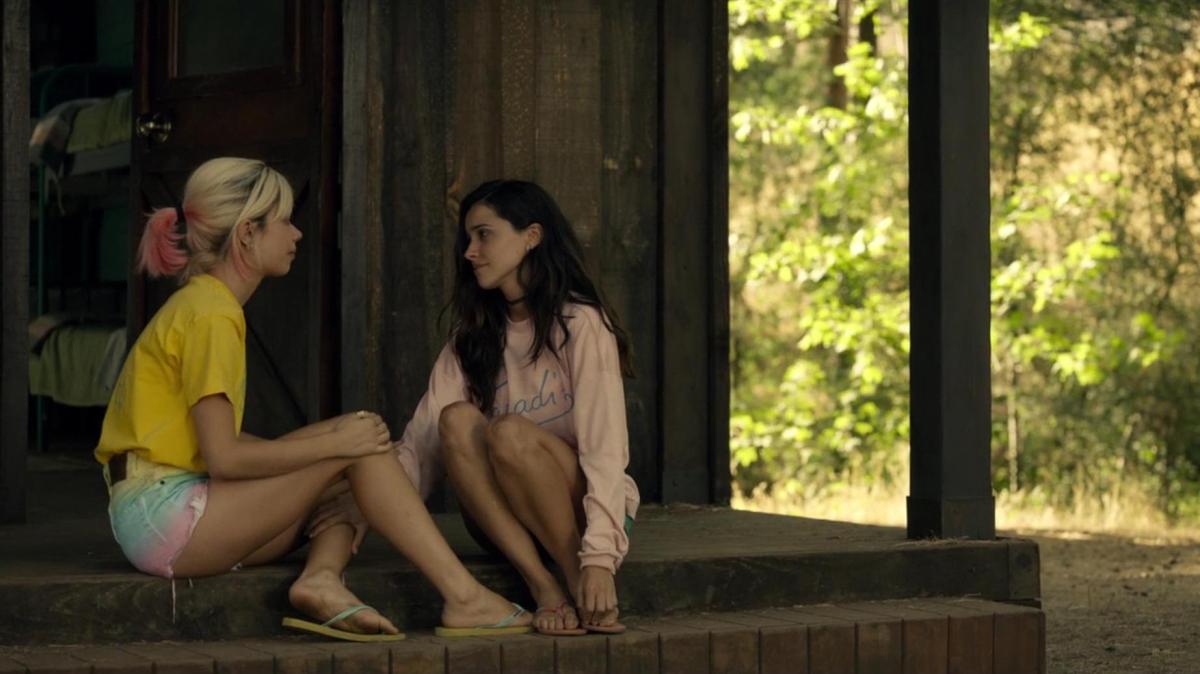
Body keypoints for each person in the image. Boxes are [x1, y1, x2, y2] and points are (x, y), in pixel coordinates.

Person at [94, 158, 532, 641]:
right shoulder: (211, 316)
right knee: (355, 446)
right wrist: (332, 446)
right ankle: (464, 597)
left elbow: (211, 447)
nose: (296, 234)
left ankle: (322, 579)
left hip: (158, 513)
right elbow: (225, 457)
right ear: (246, 235)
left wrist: (333, 442)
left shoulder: (203, 304)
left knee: (354, 446)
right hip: (168, 519)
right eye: (283, 221)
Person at [391, 179, 639, 636]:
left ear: (532, 237)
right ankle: (544, 585)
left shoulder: (580, 324)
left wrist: (599, 558)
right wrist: (359, 509)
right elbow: (419, 448)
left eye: (484, 234)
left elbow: (605, 448)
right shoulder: (472, 339)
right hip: (503, 519)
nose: (470, 251)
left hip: (581, 511)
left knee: (508, 432)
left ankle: (574, 574)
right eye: (468, 238)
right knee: (456, 419)